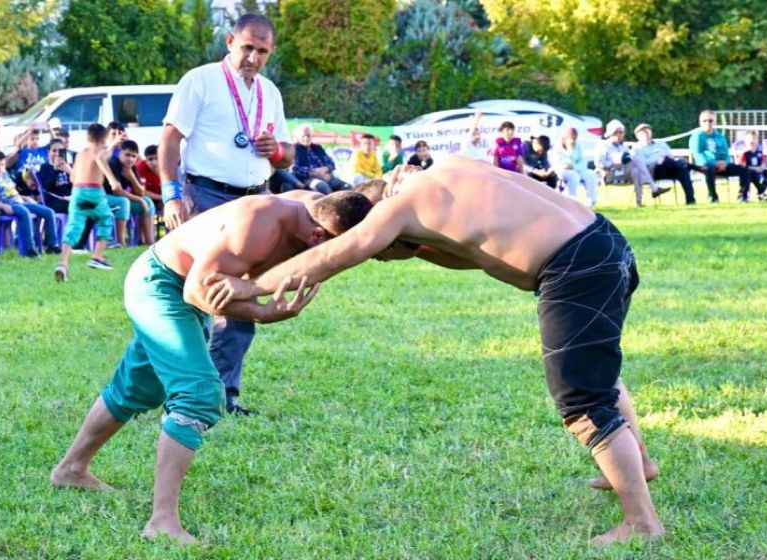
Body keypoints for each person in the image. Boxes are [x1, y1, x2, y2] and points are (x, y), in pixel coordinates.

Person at [215, 156, 664, 545]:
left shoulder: (397, 208)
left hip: (574, 266)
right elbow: (464, 249)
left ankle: (642, 523)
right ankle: (636, 464)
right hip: (606, 240)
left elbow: (332, 257)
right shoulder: (447, 169)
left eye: (383, 252)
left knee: (582, 399)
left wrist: (250, 284)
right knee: (596, 370)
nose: (384, 256)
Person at [50, 190, 372, 544]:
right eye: (330, 254)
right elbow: (198, 293)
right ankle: (162, 523)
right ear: (318, 237)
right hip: (161, 285)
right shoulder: (258, 223)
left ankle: (70, 469)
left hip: (175, 286)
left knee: (138, 386)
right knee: (198, 393)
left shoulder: (306, 214)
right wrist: (262, 312)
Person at [159, 13, 295, 415]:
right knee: (200, 298)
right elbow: (170, 140)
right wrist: (170, 195)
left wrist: (278, 151)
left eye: (262, 51)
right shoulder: (199, 80)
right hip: (206, 198)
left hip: (256, 203)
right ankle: (189, 391)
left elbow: (288, 153)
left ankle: (223, 396)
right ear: (231, 40)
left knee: (243, 296)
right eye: (247, 47)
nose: (252, 57)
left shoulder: (269, 91)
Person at [53, 124, 125, 281]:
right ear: (103, 138)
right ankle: (97, 256)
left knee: (73, 227)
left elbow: (73, 178)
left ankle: (63, 263)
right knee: (106, 219)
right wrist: (113, 180)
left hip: (77, 192)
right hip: (94, 192)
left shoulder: (80, 154)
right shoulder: (100, 151)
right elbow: (100, 158)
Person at [0, 149, 61, 256]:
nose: (0, 168)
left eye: (2, 165)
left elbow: (11, 193)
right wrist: (3, 206)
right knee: (24, 212)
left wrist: (25, 198)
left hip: (19, 202)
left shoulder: (5, 175)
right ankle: (29, 248)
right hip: (7, 206)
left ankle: (52, 245)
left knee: (48, 212)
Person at [596, 120, 669, 207]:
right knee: (636, 162)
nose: (619, 135)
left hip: (625, 173)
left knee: (636, 169)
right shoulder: (603, 146)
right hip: (611, 173)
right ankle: (654, 188)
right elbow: (599, 163)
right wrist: (613, 163)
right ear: (610, 133)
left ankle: (639, 202)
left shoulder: (624, 147)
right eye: (616, 132)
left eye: (621, 132)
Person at [688, 110, 749, 204]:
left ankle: (743, 197)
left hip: (722, 165)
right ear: (700, 122)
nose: (708, 123)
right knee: (709, 169)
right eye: (705, 121)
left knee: (744, 169)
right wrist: (714, 163)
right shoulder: (697, 137)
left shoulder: (719, 136)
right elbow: (698, 155)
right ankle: (713, 197)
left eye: (710, 120)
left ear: (714, 122)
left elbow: (726, 153)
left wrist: (725, 162)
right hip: (703, 165)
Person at [104, 140, 155, 246]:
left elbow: (140, 193)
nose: (130, 159)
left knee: (148, 202)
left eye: (133, 156)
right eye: (127, 155)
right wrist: (139, 200)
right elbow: (116, 191)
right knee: (123, 202)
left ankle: (150, 243)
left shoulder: (131, 168)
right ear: (120, 152)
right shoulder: (113, 163)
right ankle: (120, 242)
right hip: (103, 198)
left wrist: (132, 178)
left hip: (118, 199)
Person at [632, 123, 696, 205]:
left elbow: (670, 156)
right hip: (654, 171)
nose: (646, 133)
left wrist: (663, 158)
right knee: (680, 165)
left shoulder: (660, 143)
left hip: (669, 167)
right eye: (643, 132)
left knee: (682, 171)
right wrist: (657, 159)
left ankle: (690, 200)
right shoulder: (637, 148)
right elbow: (642, 164)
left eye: (648, 130)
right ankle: (692, 166)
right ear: (637, 136)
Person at [292, 124, 350, 193]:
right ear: (298, 137)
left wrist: (326, 169)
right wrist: (313, 172)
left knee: (347, 187)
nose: (306, 138)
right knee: (322, 187)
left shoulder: (317, 147)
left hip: (326, 175)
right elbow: (294, 168)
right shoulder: (294, 148)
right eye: (303, 136)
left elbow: (331, 162)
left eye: (308, 135)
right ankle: (331, 203)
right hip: (307, 179)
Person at [554, 127, 599, 207]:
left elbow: (583, 162)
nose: (572, 141)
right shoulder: (557, 147)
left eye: (574, 139)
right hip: (563, 171)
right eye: (571, 138)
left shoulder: (578, 146)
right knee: (574, 176)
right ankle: (572, 201)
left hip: (577, 168)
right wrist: (568, 156)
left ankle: (591, 201)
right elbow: (557, 162)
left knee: (590, 174)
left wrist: (574, 166)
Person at [36, 145, 75, 215]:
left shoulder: (69, 167)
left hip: (69, 198)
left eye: (60, 152)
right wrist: (55, 169)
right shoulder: (45, 167)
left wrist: (70, 172)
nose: (57, 154)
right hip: (54, 200)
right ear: (49, 152)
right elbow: (47, 187)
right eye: (54, 151)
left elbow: (78, 185)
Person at [739, 131, 767, 202]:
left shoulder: (760, 153)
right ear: (746, 141)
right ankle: (761, 192)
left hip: (759, 172)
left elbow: (762, 166)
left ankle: (761, 191)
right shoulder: (745, 153)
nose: (752, 141)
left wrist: (760, 168)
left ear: (757, 140)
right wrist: (755, 168)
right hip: (748, 173)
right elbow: (743, 167)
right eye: (750, 139)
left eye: (754, 138)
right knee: (748, 173)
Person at [135, 144, 164, 216]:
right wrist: (161, 197)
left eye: (156, 158)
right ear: (146, 160)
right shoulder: (140, 168)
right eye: (150, 159)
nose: (154, 162)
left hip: (160, 196)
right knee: (147, 203)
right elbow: (142, 192)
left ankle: (162, 227)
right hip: (143, 197)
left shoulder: (167, 165)